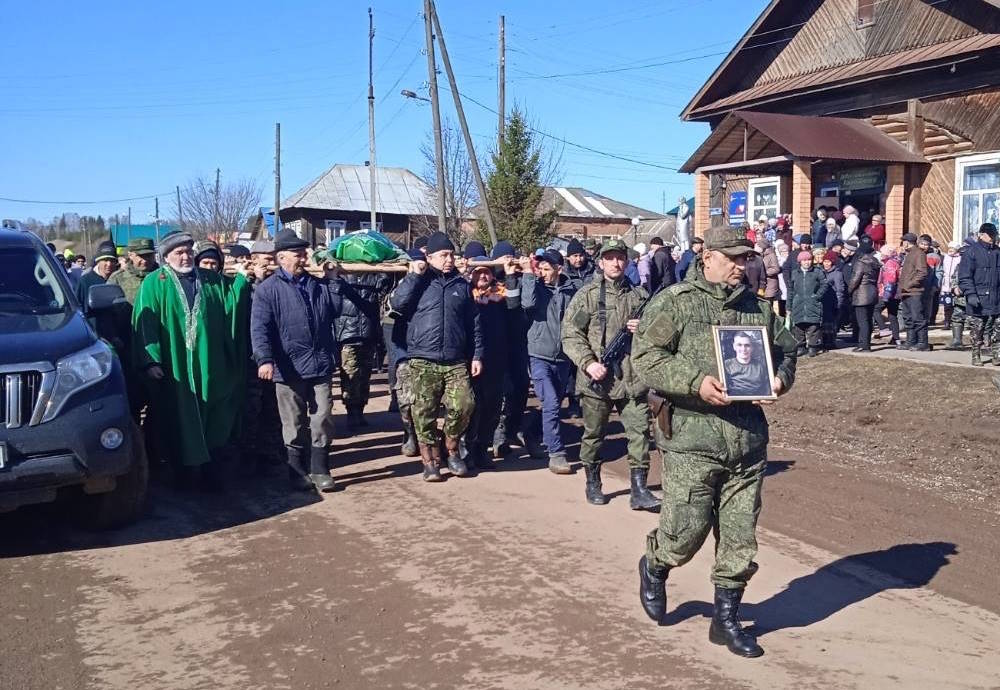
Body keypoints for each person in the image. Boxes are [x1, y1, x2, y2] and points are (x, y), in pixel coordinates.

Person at [632, 225, 797, 659]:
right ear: (708, 258)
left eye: (746, 259)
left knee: (740, 538)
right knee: (685, 534)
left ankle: (725, 620)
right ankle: (656, 564)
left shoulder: (757, 309)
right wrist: (693, 382)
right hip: (692, 438)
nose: (743, 266)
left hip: (746, 442)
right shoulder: (675, 303)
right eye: (735, 258)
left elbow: (788, 350)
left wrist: (779, 379)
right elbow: (646, 357)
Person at [132, 231, 250, 490]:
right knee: (178, 418)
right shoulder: (154, 283)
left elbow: (231, 304)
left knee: (214, 413)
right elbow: (145, 324)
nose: (185, 256)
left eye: (188, 251)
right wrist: (151, 361)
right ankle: (182, 475)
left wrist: (241, 279)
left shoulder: (209, 280)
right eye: (179, 253)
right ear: (166, 257)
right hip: (176, 368)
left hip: (210, 364)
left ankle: (210, 472)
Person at [561, 239, 659, 510]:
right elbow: (570, 335)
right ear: (601, 262)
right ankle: (593, 481)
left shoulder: (640, 297)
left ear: (626, 262)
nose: (616, 263)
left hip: (632, 379)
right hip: (599, 380)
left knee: (639, 433)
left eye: (620, 258)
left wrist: (644, 328)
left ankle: (639, 489)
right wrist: (588, 362)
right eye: (610, 258)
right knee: (594, 434)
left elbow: (659, 336)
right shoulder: (589, 295)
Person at [251, 230, 342, 492]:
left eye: (304, 253)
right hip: (287, 366)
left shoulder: (317, 285)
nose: (304, 258)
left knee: (323, 415)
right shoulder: (268, 290)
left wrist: (333, 281)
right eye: (298, 254)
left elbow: (334, 311)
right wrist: (265, 359)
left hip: (320, 363)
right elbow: (259, 328)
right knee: (294, 422)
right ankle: (296, 470)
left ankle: (320, 468)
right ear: (281, 258)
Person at [389, 232, 483, 481]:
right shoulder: (418, 281)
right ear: (429, 257)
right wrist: (414, 275)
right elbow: (397, 305)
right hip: (422, 358)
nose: (449, 259)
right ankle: (430, 461)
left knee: (465, 405)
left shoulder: (461, 285)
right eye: (443, 255)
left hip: (455, 359)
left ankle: (451, 448)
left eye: (451, 254)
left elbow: (474, 324)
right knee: (423, 412)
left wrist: (477, 355)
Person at [505, 248, 577, 471]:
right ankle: (556, 453)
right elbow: (526, 304)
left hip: (564, 357)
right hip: (538, 354)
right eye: (541, 269)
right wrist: (528, 274)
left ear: (559, 269)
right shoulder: (536, 286)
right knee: (552, 403)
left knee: (553, 402)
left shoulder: (571, 290)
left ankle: (531, 432)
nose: (543, 273)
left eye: (547, 269)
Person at [464, 261, 509, 471]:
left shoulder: (501, 295)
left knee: (492, 406)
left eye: (487, 273)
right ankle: (466, 449)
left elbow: (518, 305)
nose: (483, 277)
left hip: (496, 359)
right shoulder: (465, 294)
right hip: (470, 359)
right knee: (472, 406)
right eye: (478, 273)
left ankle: (482, 448)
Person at [334, 267, 390, 428]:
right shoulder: (342, 275)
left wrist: (382, 270)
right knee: (350, 374)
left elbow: (383, 287)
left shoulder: (373, 276)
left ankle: (360, 408)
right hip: (347, 333)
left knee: (365, 374)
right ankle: (351, 410)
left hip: (368, 331)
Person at [492, 240, 533, 458]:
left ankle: (514, 428)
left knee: (521, 387)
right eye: (503, 258)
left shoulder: (517, 280)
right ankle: (498, 435)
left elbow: (524, 304)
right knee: (503, 390)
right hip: (498, 343)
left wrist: (525, 272)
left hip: (518, 342)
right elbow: (509, 304)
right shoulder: (488, 281)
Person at [958, 223, 1000, 366]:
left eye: (994, 235)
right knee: (978, 329)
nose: (993, 238)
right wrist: (970, 294)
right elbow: (964, 276)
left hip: (996, 298)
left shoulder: (997, 252)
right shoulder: (971, 252)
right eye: (990, 235)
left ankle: (996, 354)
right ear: (981, 235)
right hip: (978, 298)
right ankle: (976, 355)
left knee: (998, 327)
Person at [788, 250, 829, 357]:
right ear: (800, 262)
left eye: (809, 260)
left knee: (813, 326)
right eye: (804, 260)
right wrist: (789, 306)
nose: (807, 262)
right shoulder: (795, 273)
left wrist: (817, 296)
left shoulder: (817, 272)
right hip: (798, 303)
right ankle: (801, 347)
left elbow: (824, 285)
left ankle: (812, 347)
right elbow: (790, 290)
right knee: (798, 327)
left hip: (813, 303)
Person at [847, 236, 880, 351]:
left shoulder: (860, 263)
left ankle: (864, 345)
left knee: (862, 321)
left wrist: (849, 291)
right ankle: (866, 343)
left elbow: (855, 280)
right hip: (872, 292)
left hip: (861, 294)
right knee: (868, 320)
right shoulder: (875, 262)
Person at [898, 232, 930, 351]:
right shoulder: (909, 254)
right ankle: (910, 341)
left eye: (903, 242)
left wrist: (909, 284)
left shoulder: (918, 253)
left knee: (918, 318)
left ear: (907, 242)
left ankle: (923, 342)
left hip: (915, 291)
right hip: (906, 292)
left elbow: (922, 272)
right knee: (908, 317)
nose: (902, 244)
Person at [722, 331, 772, 398]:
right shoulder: (726, 365)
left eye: (747, 345)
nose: (743, 349)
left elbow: (767, 389)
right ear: (734, 347)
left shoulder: (760, 366)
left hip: (754, 401)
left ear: (752, 348)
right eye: (739, 345)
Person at [75, 240, 119, 315]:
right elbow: (78, 308)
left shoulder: (119, 279)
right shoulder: (85, 281)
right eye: (105, 260)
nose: (109, 264)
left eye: (112, 260)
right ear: (98, 261)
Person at [875, 246, 903, 345]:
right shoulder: (894, 262)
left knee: (876, 310)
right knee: (892, 315)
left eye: (882, 252)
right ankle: (896, 339)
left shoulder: (890, 264)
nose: (881, 254)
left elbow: (890, 280)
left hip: (888, 293)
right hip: (895, 294)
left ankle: (883, 328)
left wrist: (886, 296)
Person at [821, 250, 846, 350]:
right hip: (823, 301)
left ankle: (831, 342)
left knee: (831, 324)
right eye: (825, 261)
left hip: (833, 301)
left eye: (828, 262)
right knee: (823, 324)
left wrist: (839, 304)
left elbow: (840, 289)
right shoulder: (821, 272)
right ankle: (824, 341)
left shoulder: (837, 274)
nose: (826, 264)